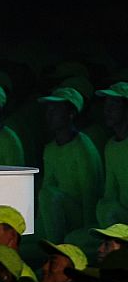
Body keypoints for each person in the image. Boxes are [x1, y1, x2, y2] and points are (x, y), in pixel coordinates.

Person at [36, 86, 104, 245]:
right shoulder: (51, 148)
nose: (50, 114)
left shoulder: (83, 146)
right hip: (60, 213)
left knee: (49, 194)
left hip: (79, 216)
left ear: (71, 114)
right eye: (49, 109)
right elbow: (48, 185)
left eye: (56, 109)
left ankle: (56, 249)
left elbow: (90, 193)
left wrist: (87, 231)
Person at [94, 81, 128, 226]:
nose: (107, 110)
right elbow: (110, 191)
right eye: (106, 105)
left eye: (114, 105)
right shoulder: (110, 146)